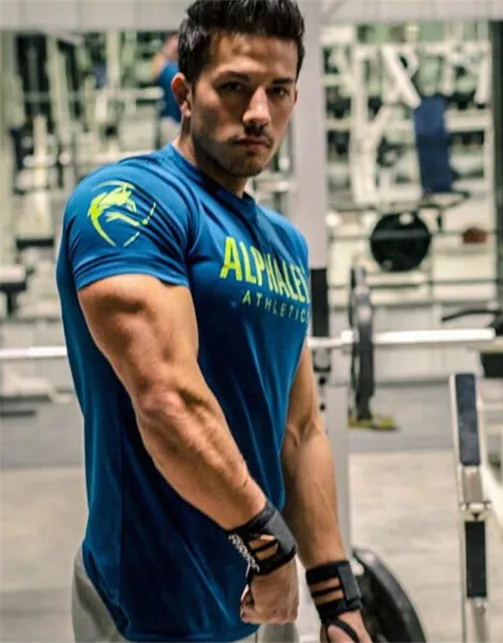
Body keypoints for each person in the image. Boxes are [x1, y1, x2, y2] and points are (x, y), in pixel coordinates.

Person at [55, 1, 370, 641]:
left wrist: (338, 600)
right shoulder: (128, 203)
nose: (259, 112)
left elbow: (300, 430)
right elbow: (166, 400)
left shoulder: (285, 245)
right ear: (184, 94)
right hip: (150, 605)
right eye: (234, 87)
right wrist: (270, 547)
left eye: (278, 90)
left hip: (258, 600)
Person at [151, 33, 183, 145]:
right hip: (170, 120)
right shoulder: (164, 66)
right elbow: (154, 73)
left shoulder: (181, 67)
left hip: (183, 119)